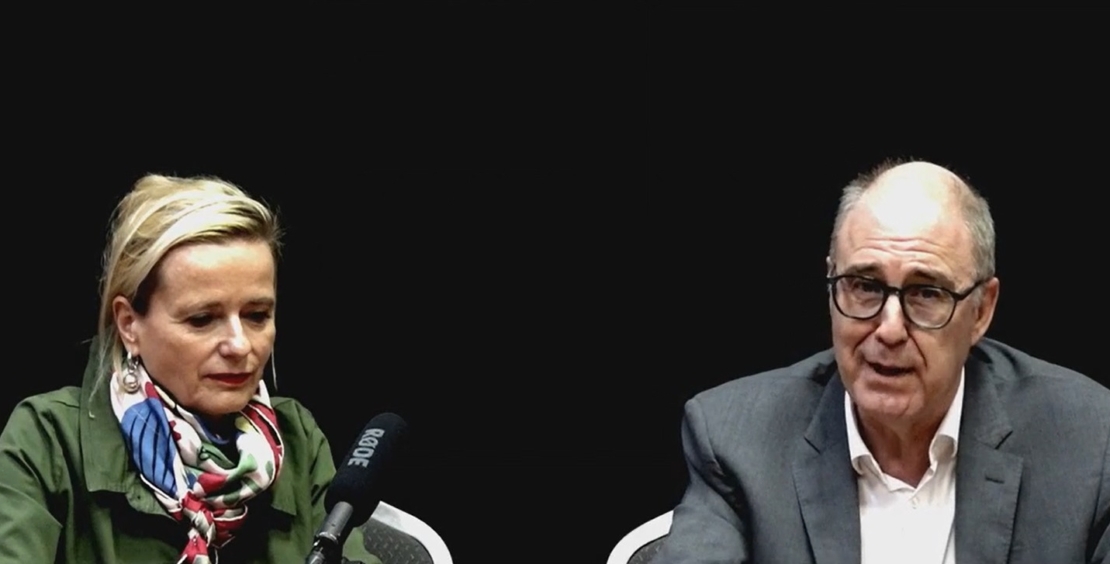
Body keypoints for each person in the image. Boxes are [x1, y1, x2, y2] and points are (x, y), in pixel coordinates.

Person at [653, 160, 1110, 563]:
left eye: (926, 292)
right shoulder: (738, 440)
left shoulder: (1089, 441)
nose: (889, 329)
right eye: (865, 286)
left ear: (981, 311)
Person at [0, 175, 381, 563]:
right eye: (202, 319)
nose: (240, 345)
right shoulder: (48, 439)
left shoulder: (298, 440)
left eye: (256, 315)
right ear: (129, 325)